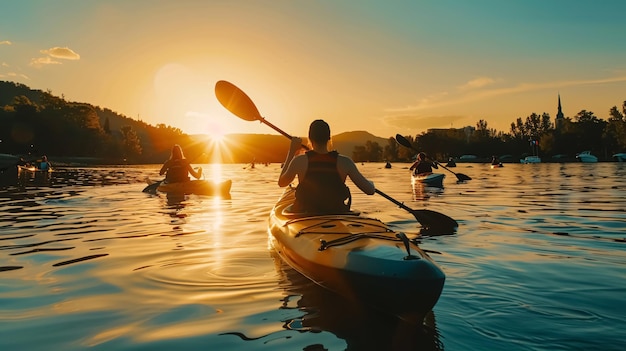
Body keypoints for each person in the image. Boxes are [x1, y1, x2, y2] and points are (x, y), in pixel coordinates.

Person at [278, 119, 375, 214]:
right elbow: (370, 190)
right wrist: (371, 183)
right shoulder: (345, 162)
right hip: (336, 213)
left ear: (310, 139)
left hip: (307, 214)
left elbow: (281, 183)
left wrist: (291, 151)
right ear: (329, 138)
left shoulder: (299, 161)